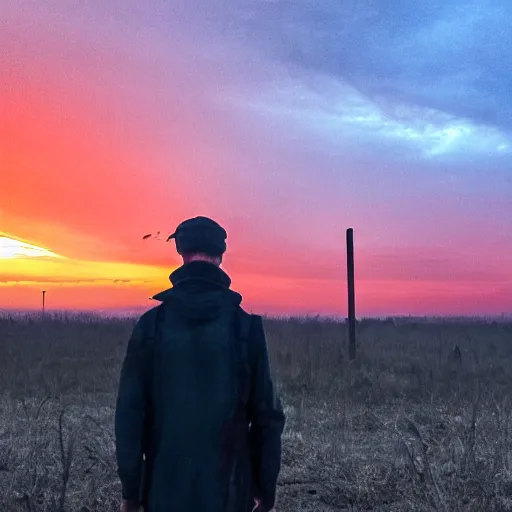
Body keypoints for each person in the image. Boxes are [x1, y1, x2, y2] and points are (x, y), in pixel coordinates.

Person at [115, 216, 286, 512]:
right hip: (231, 495)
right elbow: (267, 416)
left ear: (182, 254)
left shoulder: (150, 327)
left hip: (163, 493)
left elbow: (129, 418)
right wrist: (264, 489)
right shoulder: (247, 329)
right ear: (220, 258)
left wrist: (131, 492)